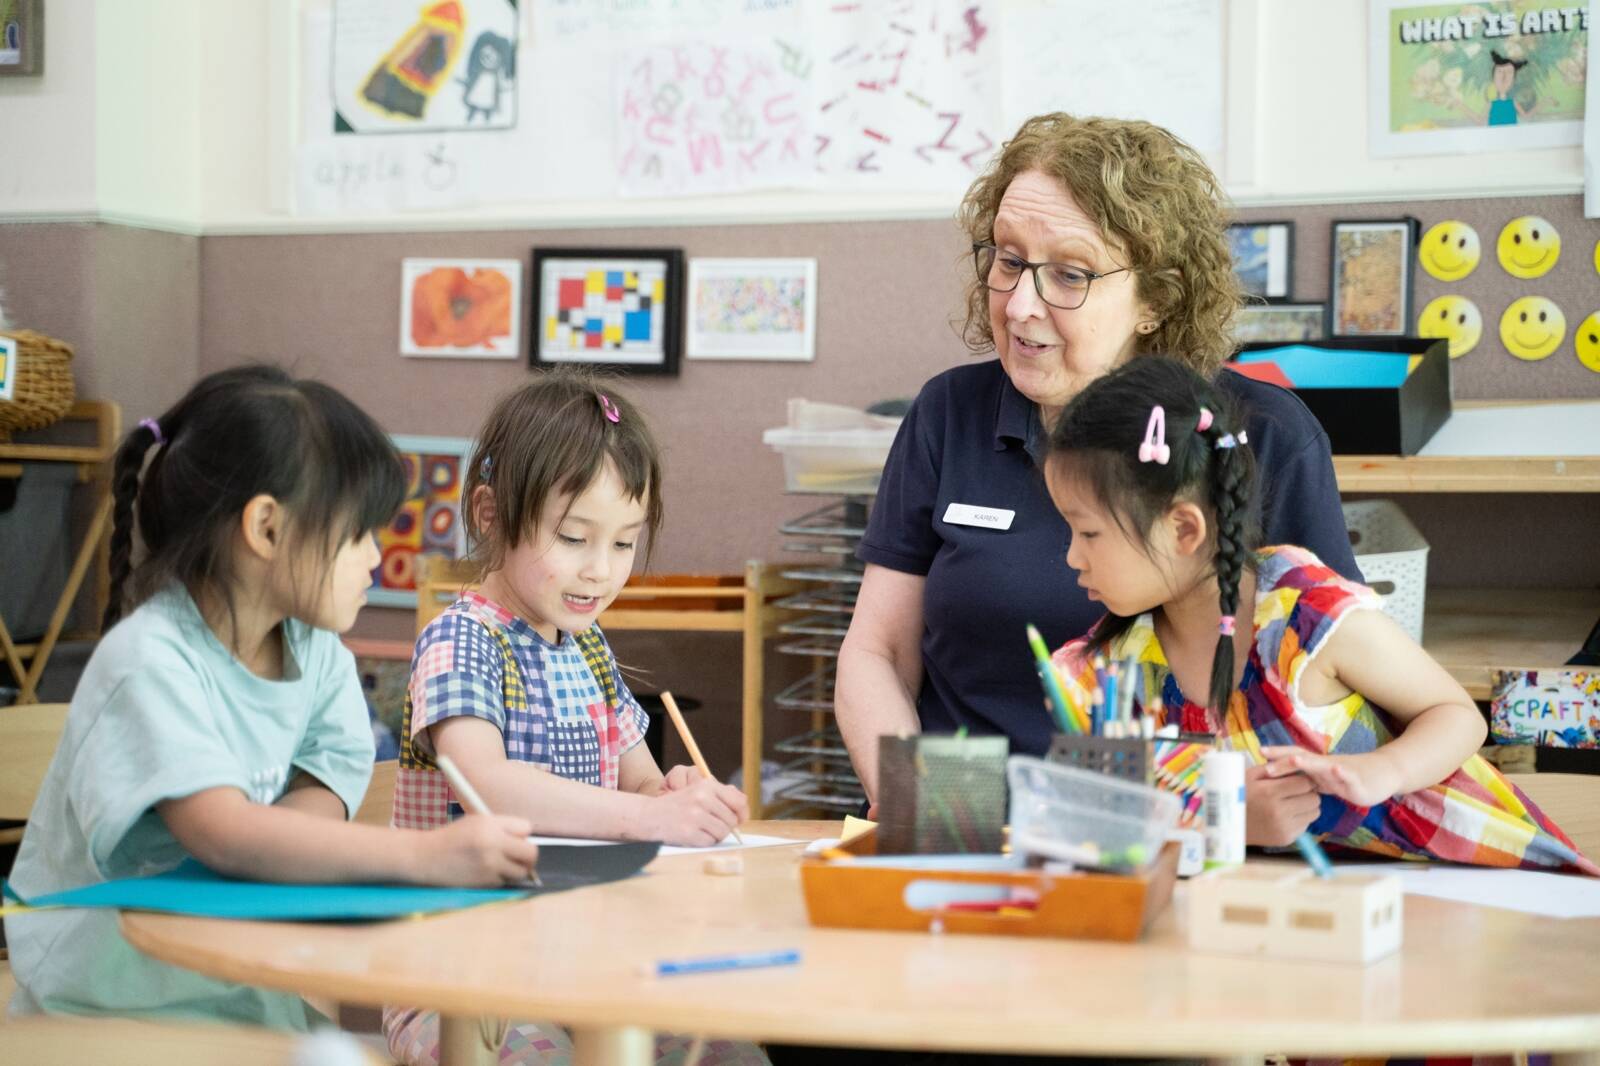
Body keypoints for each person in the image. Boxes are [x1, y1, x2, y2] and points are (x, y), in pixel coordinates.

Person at [837, 113, 1361, 829]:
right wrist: (938, 813)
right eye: (1009, 260)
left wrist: (1225, 812)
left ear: (1157, 298)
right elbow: (878, 653)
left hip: (1186, 841)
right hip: (963, 822)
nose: (1020, 305)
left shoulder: (1262, 436)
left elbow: (1340, 682)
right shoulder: (948, 413)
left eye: (1069, 275)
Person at [5, 366, 540, 1027]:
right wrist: (431, 856)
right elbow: (223, 835)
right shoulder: (148, 661)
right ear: (265, 528)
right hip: (108, 1004)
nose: (377, 556)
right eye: (357, 535)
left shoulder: (316, 651)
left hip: (239, 986)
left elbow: (320, 791)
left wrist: (280, 848)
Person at [1043, 355, 1596, 871]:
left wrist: (1376, 773)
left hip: (1476, 880)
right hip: (1308, 912)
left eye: (1088, 532)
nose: (1070, 556)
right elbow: (1111, 830)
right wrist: (1229, 822)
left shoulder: (1307, 619)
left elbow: (1457, 715)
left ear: (1184, 529)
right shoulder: (1114, 670)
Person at [383, 369, 763, 1066]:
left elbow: (641, 788)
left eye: (623, 543)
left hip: (584, 961)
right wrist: (648, 818)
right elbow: (489, 787)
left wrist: (674, 796)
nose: (600, 571)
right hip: (458, 975)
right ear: (490, 514)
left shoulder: (587, 647)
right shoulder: (463, 638)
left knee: (729, 1051)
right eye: (573, 537)